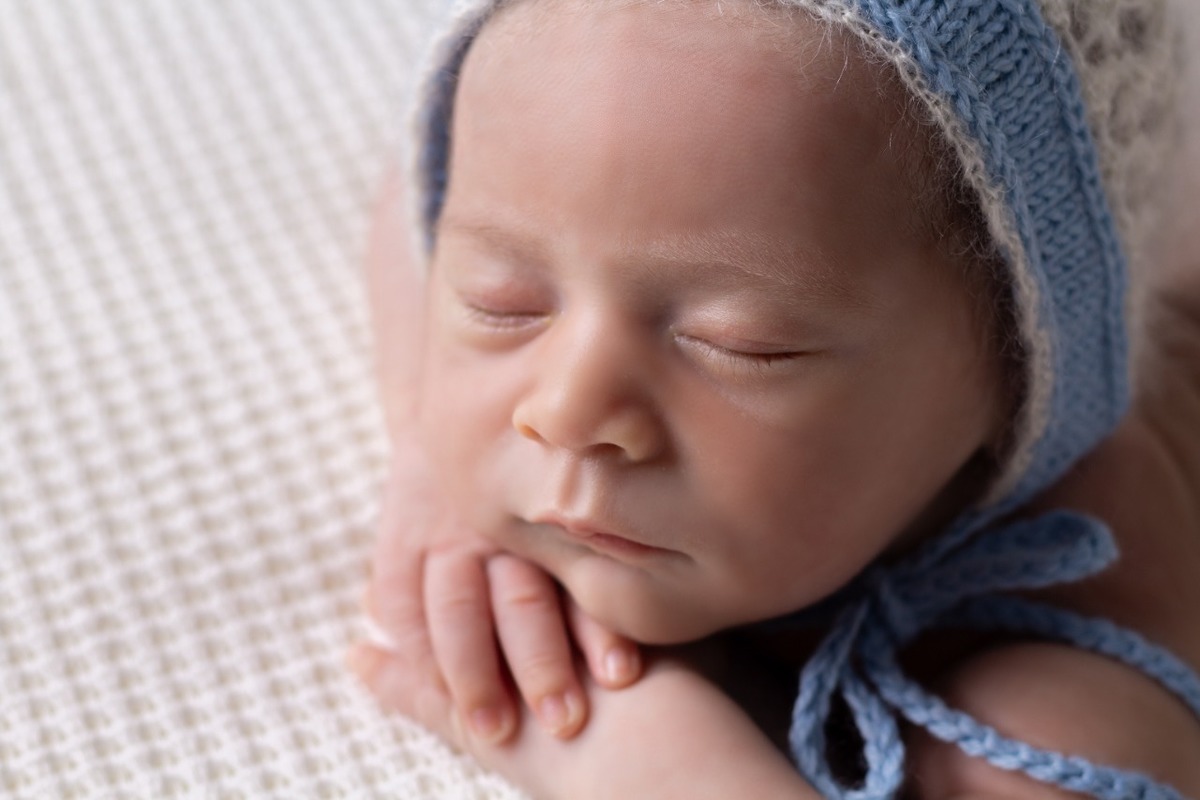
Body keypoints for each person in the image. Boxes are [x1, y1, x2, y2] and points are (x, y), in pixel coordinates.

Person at [349, 0, 1200, 797]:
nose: (568, 413)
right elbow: (420, 190)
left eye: (741, 347)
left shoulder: (1058, 674)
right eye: (503, 304)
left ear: (1019, 382)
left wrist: (647, 755)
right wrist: (425, 450)